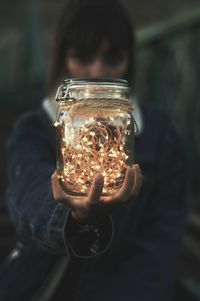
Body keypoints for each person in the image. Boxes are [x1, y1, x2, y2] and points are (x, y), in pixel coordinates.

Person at [0, 0, 189, 300]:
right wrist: (70, 218)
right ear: (62, 59)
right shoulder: (35, 128)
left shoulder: (160, 135)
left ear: (130, 61)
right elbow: (26, 194)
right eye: (82, 57)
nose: (97, 71)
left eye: (112, 58)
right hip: (43, 285)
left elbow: (160, 243)